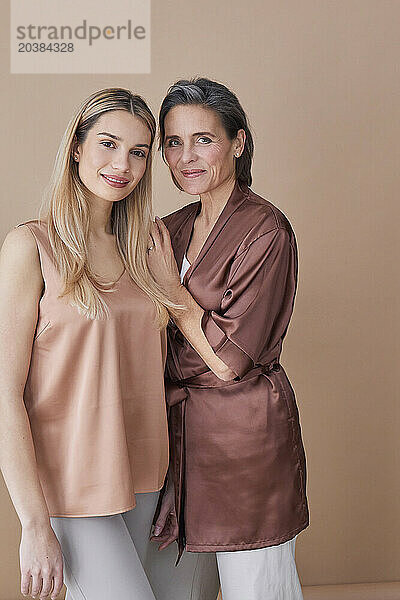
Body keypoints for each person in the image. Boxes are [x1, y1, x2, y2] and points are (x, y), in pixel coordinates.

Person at [0, 88, 219, 600]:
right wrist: (33, 522)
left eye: (139, 152)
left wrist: (172, 288)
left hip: (150, 476)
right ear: (76, 146)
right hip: (73, 487)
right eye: (107, 143)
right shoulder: (31, 247)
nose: (123, 164)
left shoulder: (147, 250)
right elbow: (4, 393)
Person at [149, 77, 310, 600]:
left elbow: (228, 359)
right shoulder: (167, 230)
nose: (187, 156)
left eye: (204, 139)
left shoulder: (266, 230)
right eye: (173, 142)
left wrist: (172, 292)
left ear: (238, 142)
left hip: (245, 443)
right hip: (177, 442)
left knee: (256, 591)